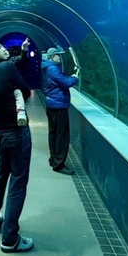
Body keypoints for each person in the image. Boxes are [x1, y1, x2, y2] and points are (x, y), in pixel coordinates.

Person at [0, 38, 35, 253]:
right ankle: (10, 239)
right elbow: (27, 90)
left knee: (1, 173)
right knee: (18, 182)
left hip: (0, 132)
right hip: (17, 132)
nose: (5, 50)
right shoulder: (7, 67)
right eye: (1, 48)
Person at [42, 47, 78, 175]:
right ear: (52, 57)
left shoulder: (47, 67)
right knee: (62, 135)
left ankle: (53, 159)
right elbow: (66, 82)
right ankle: (59, 164)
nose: (60, 57)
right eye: (58, 55)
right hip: (58, 105)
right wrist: (75, 77)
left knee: (53, 133)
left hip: (52, 104)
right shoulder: (53, 69)